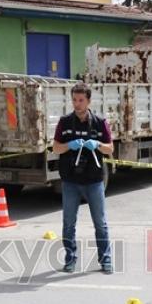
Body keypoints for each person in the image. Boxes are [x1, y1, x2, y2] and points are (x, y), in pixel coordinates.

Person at [52, 83, 115, 274]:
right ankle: (70, 259)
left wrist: (97, 144)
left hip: (94, 181)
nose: (77, 104)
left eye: (80, 100)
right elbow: (55, 147)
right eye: (74, 100)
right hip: (71, 181)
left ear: (88, 101)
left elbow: (110, 149)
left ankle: (105, 260)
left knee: (100, 222)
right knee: (68, 222)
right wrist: (69, 145)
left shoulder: (99, 122)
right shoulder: (64, 122)